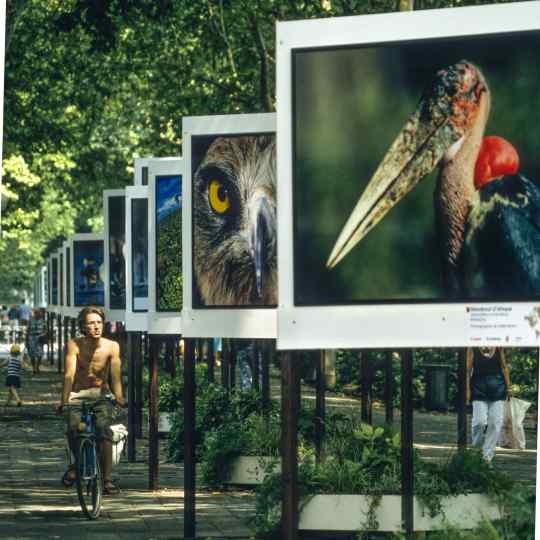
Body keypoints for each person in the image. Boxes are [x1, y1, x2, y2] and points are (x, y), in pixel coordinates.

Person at [55, 306, 125, 495]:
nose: (96, 327)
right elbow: (69, 375)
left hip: (101, 395)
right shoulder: (74, 345)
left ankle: (107, 479)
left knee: (104, 431)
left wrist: (119, 397)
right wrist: (63, 400)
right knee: (73, 428)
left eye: (99, 323)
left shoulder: (112, 346)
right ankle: (75, 465)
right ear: (83, 326)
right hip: (77, 395)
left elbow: (116, 376)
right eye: (91, 323)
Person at [466, 347, 512, 464]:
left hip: (498, 389)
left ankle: (487, 457)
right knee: (479, 422)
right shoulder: (472, 348)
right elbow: (467, 370)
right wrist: (467, 389)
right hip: (478, 389)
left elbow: (504, 367)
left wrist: (509, 387)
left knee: (495, 423)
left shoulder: (499, 348)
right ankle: (476, 451)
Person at [26, 308, 47, 374]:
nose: (38, 314)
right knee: (32, 354)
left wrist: (44, 336)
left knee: (40, 354)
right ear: (35, 313)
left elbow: (45, 330)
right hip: (31, 338)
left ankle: (37, 366)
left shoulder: (43, 321)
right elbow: (28, 330)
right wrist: (26, 340)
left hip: (40, 338)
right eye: (37, 313)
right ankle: (34, 368)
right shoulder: (30, 320)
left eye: (39, 313)